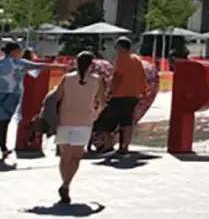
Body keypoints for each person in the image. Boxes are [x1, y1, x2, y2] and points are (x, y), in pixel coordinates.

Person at [53, 52, 105, 205]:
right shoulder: (97, 80)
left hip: (65, 119)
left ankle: (65, 183)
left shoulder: (67, 79)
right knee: (76, 156)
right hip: (84, 120)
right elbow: (102, 102)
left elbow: (56, 97)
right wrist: (95, 114)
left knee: (65, 156)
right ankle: (66, 184)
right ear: (91, 64)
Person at [0, 41, 50, 163]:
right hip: (12, 96)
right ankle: (3, 147)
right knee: (4, 122)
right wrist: (62, 67)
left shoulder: (1, 62)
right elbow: (41, 66)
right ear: (14, 52)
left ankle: (4, 147)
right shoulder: (19, 63)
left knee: (2, 123)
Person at [98, 37, 146, 157]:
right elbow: (142, 77)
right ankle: (124, 147)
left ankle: (108, 145)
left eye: (116, 47)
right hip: (134, 95)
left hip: (120, 94)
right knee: (126, 121)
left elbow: (118, 77)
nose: (115, 50)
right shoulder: (137, 59)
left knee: (106, 120)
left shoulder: (122, 58)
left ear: (120, 47)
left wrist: (110, 91)